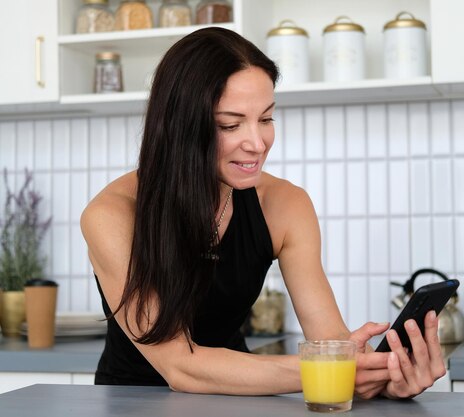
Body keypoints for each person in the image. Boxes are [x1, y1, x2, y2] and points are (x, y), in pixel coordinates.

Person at [80, 27, 445, 398]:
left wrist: (380, 376)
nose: (257, 143)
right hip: (132, 402)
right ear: (180, 127)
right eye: (230, 124)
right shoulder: (111, 215)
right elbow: (179, 365)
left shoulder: (285, 205)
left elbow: (331, 338)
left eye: (267, 119)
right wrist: (331, 370)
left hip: (237, 398)